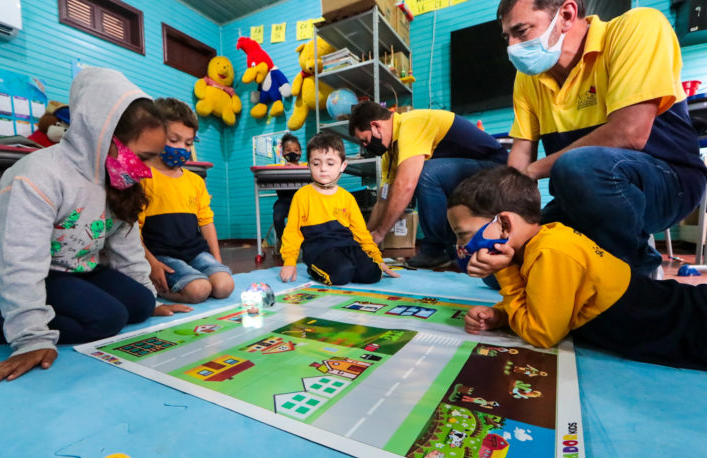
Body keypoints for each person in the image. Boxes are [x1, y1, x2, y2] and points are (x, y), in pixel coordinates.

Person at [0, 67, 192, 385]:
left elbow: (127, 248)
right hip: (12, 271)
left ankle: (19, 313)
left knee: (140, 304)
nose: (146, 171)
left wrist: (148, 301)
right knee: (108, 318)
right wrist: (31, 338)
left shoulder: (120, 179)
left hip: (75, 267)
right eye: (143, 157)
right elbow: (21, 261)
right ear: (103, 139)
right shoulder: (37, 174)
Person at [498, 0, 707, 276]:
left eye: (521, 31)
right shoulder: (528, 79)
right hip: (583, 187)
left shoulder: (636, 27)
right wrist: (508, 224)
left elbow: (628, 133)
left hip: (668, 182)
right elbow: (520, 154)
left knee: (577, 166)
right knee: (507, 263)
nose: (512, 46)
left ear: (566, 14)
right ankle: (596, 261)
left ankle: (638, 272)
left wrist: (532, 172)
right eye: (507, 36)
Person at [447, 166, 707, 371]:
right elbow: (542, 301)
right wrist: (502, 316)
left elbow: (541, 335)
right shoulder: (546, 240)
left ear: (504, 224)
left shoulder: (550, 252)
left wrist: (504, 272)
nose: (462, 247)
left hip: (686, 325)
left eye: (463, 235)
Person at [348, 101, 508, 268]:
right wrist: (366, 239)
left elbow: (406, 185)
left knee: (426, 174)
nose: (366, 147)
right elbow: (383, 200)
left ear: (376, 126)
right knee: (430, 176)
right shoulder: (390, 154)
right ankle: (450, 249)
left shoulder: (411, 124)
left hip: (497, 168)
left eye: (365, 140)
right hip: (469, 174)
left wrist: (381, 233)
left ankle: (436, 250)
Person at [139, 97, 234, 304]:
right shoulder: (142, 178)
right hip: (162, 256)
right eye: (174, 141)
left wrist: (216, 259)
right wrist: (152, 264)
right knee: (200, 290)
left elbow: (206, 223)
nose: (182, 148)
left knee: (224, 286)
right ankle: (157, 287)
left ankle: (191, 279)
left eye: (188, 143)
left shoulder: (195, 181)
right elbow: (131, 232)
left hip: (194, 252)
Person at [279, 132, 399, 285]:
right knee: (341, 274)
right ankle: (314, 269)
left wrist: (377, 258)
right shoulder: (301, 196)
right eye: (316, 164)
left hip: (347, 246)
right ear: (308, 165)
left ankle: (352, 267)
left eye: (330, 163)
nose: (323, 169)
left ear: (343, 166)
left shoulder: (347, 198)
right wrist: (289, 261)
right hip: (319, 249)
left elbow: (361, 232)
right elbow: (292, 232)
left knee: (373, 274)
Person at [273, 133, 303, 254]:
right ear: (283, 153)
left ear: (300, 152)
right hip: (284, 202)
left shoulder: (306, 166)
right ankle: (282, 241)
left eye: (296, 150)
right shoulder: (279, 168)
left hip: (301, 203)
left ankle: (306, 244)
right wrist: (286, 168)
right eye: (289, 150)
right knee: (277, 217)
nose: (293, 153)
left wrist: (297, 168)